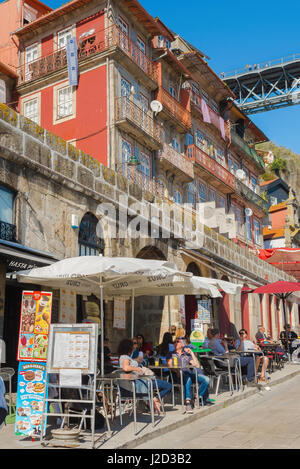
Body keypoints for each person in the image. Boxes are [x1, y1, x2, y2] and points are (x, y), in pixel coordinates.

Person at [118, 339, 171, 415]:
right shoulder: (125, 357)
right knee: (168, 386)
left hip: (139, 382)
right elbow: (126, 367)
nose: (134, 347)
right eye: (132, 346)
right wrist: (137, 369)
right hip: (139, 382)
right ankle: (154, 401)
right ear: (128, 347)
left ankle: (154, 401)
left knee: (165, 385)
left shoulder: (124, 357)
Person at [166, 337, 212, 413]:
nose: (175, 343)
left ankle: (197, 397)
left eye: (178, 341)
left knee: (206, 379)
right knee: (188, 378)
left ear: (183, 344)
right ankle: (188, 403)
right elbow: (170, 365)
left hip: (189, 373)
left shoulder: (187, 354)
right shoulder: (171, 353)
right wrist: (177, 371)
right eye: (175, 342)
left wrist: (192, 353)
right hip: (177, 375)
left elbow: (197, 365)